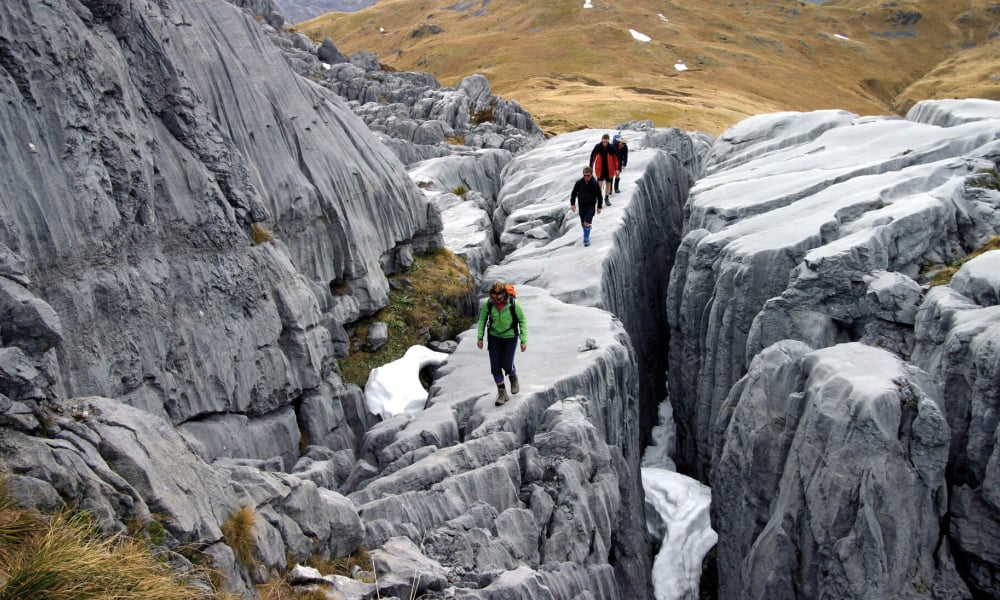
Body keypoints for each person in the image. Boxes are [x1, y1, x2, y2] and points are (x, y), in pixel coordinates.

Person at [476, 281, 528, 405]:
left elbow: (522, 320)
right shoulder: (488, 304)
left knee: (507, 364)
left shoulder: (514, 304)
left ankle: (513, 377)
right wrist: (480, 337)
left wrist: (523, 340)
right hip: (494, 337)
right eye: (494, 298)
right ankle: (502, 392)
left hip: (510, 337)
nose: (497, 300)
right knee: (495, 367)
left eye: (499, 298)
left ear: (504, 294)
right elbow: (482, 319)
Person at [570, 166, 603, 247]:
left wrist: (599, 206)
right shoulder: (579, 183)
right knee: (583, 224)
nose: (586, 177)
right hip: (582, 206)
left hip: (590, 206)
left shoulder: (594, 183)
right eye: (585, 175)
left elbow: (599, 195)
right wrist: (573, 204)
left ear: (591, 175)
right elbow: (573, 193)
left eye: (588, 175)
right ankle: (587, 230)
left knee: (586, 222)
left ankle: (586, 239)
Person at [589, 133, 619, 207]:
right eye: (604, 141)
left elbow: (616, 158)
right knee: (600, 184)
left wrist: (617, 168)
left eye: (606, 141)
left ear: (608, 140)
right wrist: (591, 167)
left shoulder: (611, 147)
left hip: (609, 168)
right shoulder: (598, 147)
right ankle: (599, 199)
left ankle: (606, 198)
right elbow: (593, 156)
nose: (605, 142)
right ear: (602, 140)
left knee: (608, 183)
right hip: (600, 168)